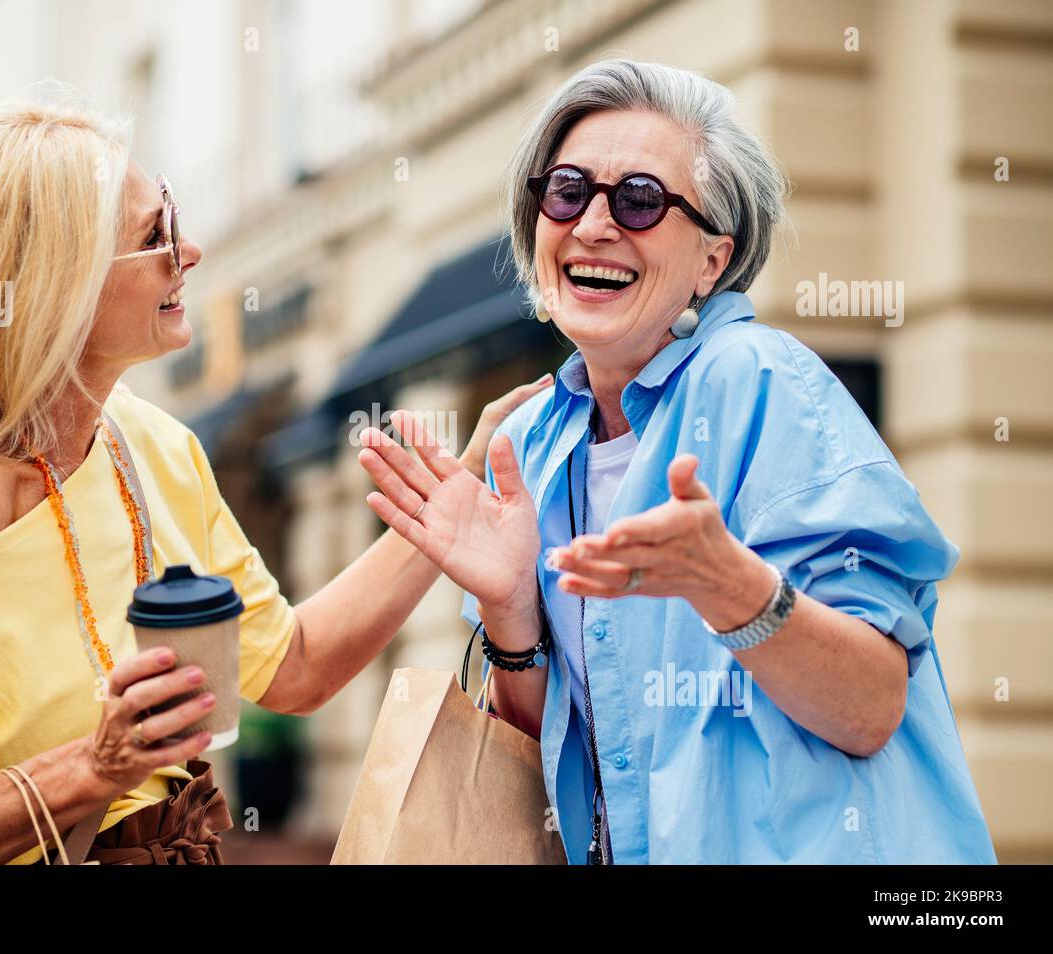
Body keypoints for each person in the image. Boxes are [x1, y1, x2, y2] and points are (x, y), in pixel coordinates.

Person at [0, 94, 548, 864]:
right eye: (154, 236)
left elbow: (293, 667)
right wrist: (91, 770)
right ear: (60, 285)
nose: (189, 253)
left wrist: (449, 500)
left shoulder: (153, 444)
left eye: (173, 218)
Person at [355, 58, 996, 864]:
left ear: (711, 261)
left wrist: (731, 588)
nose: (593, 224)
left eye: (640, 200)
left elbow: (870, 705)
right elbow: (533, 757)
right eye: (567, 190)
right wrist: (512, 611)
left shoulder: (757, 380)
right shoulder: (532, 445)